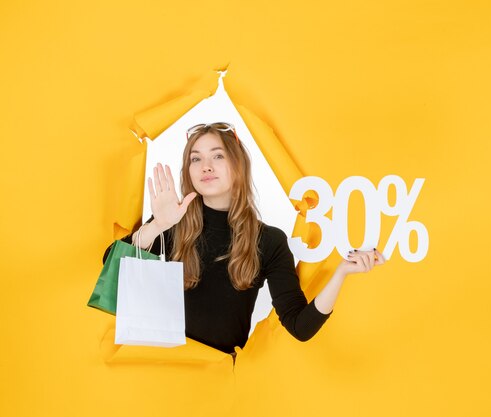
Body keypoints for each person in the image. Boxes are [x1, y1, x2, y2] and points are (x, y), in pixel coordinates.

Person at [103, 122, 384, 361]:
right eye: (196, 158)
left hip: (219, 383)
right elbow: (111, 267)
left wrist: (342, 273)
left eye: (218, 156)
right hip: (159, 371)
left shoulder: (269, 241)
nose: (206, 167)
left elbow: (300, 327)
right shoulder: (173, 219)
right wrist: (158, 225)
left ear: (238, 165)